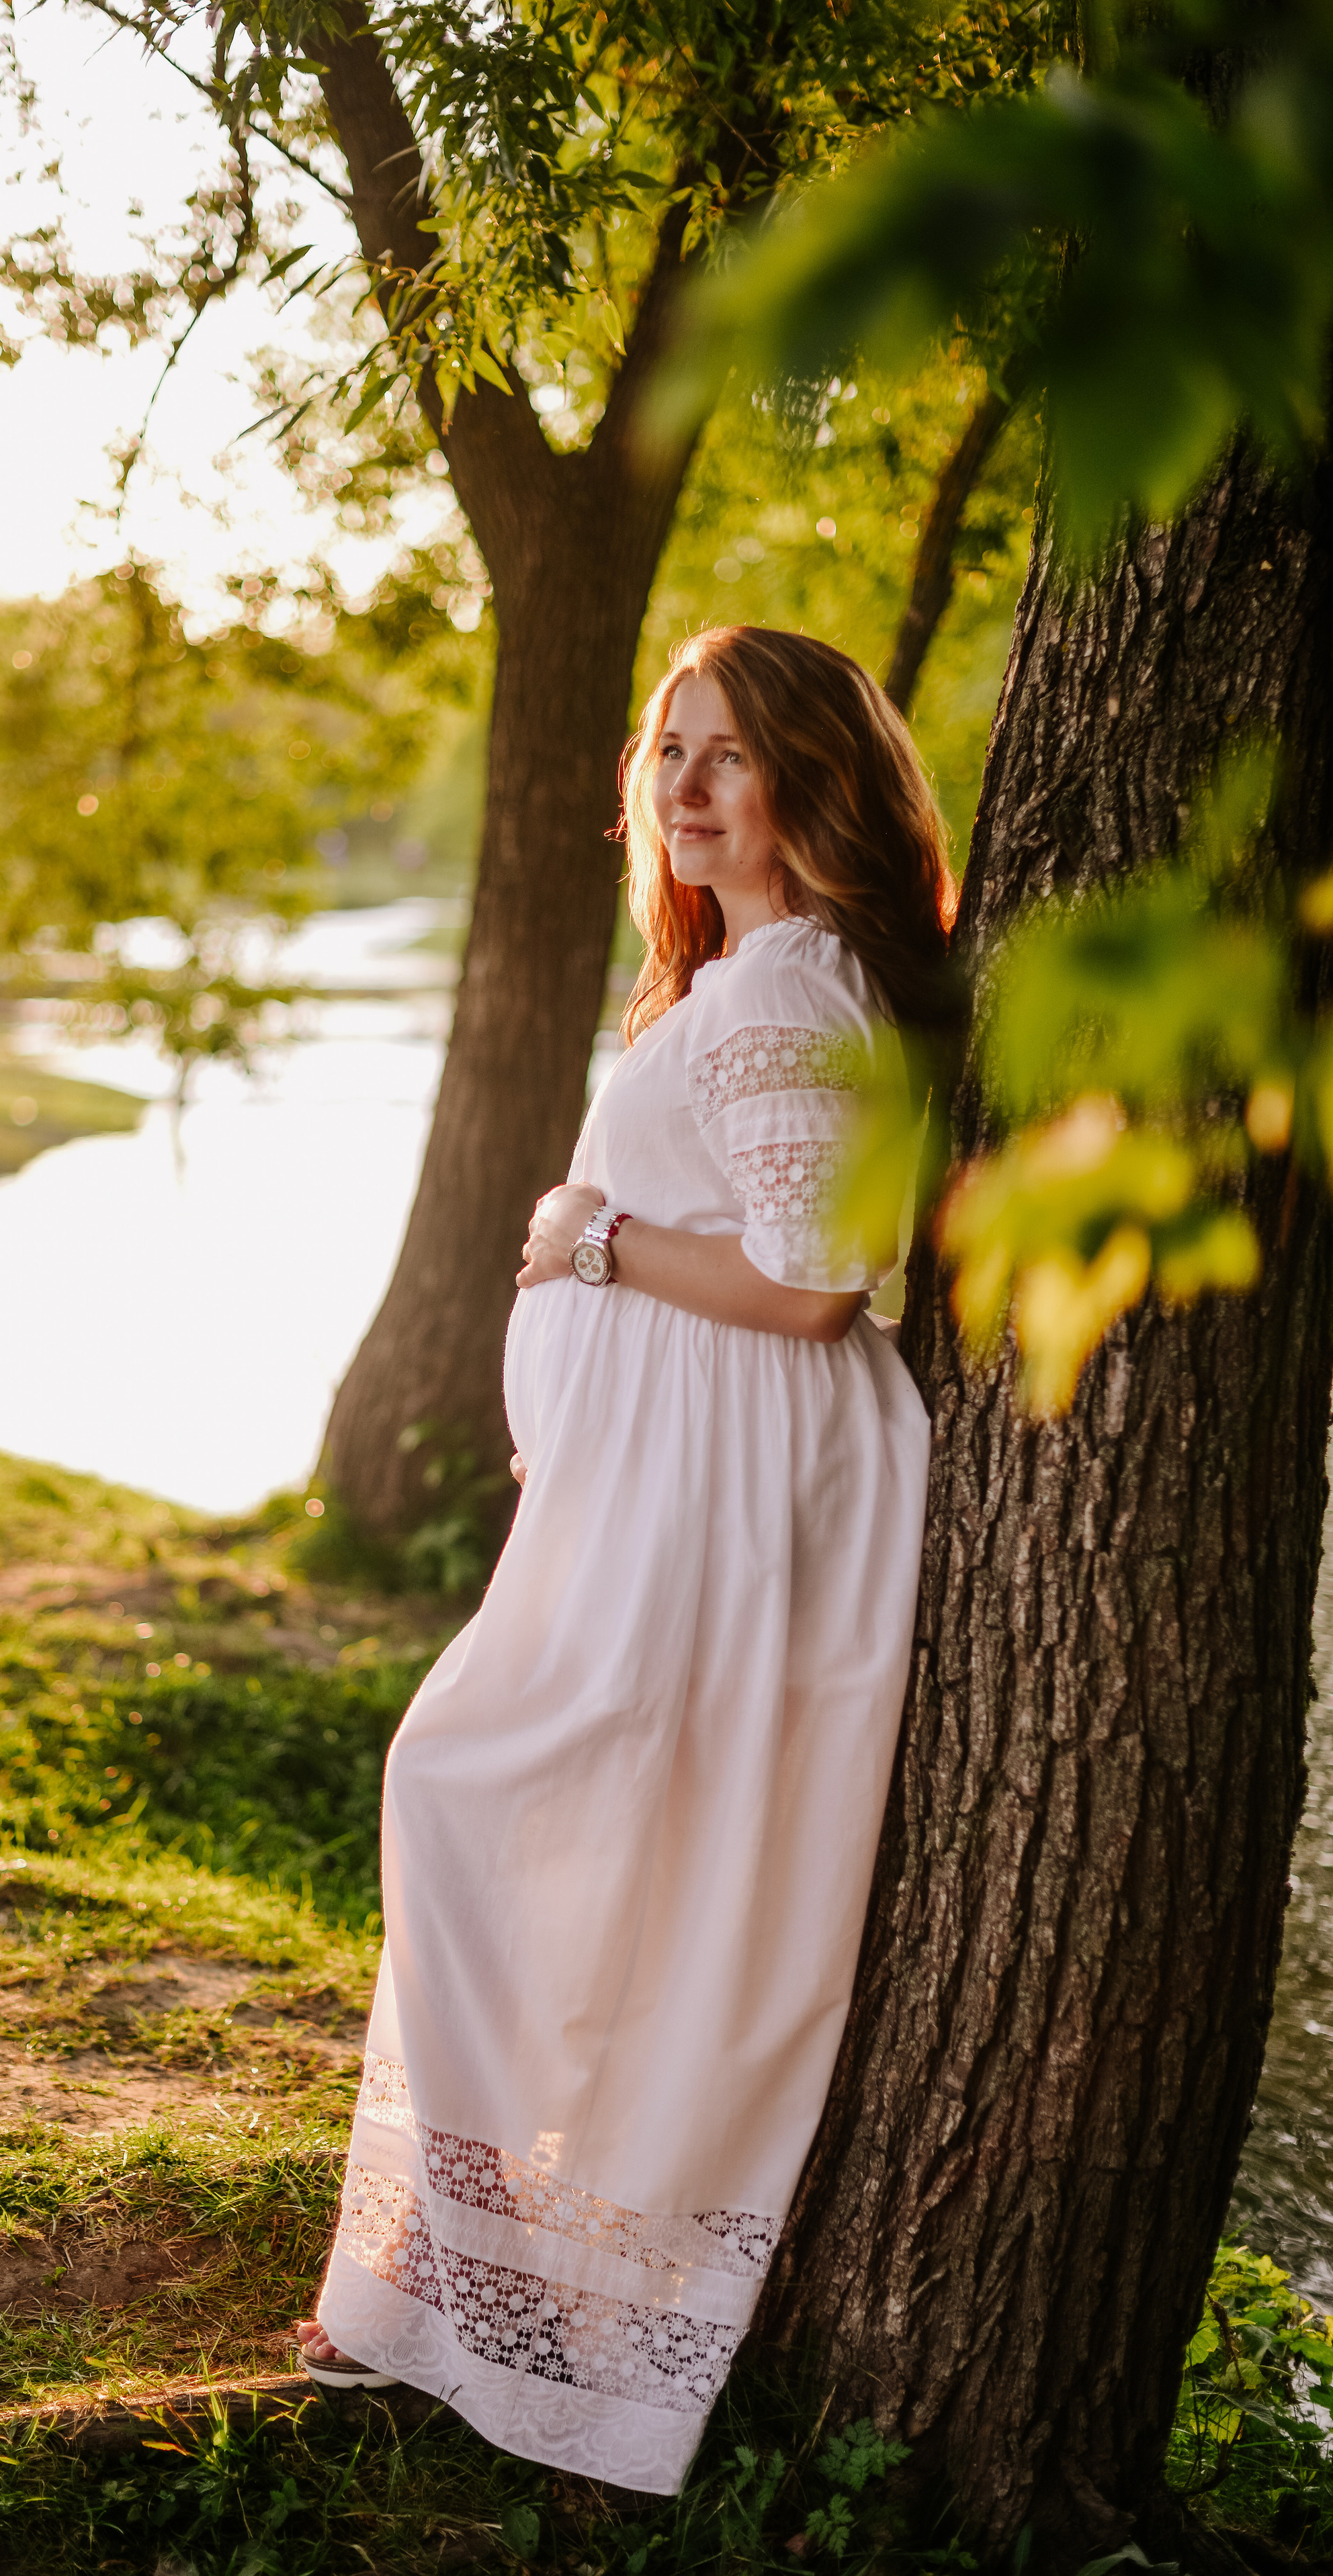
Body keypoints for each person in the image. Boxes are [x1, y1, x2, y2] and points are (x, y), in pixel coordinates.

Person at [293, 626, 959, 2496]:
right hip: (681, 1487)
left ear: (815, 777)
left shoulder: (787, 986)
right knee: (589, 1855)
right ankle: (479, 2279)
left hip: (729, 1504)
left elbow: (813, 1283)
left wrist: (585, 1246)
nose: (686, 783)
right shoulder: (750, 978)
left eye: (732, 754)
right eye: (672, 749)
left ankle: (499, 2287)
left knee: (480, 1798)